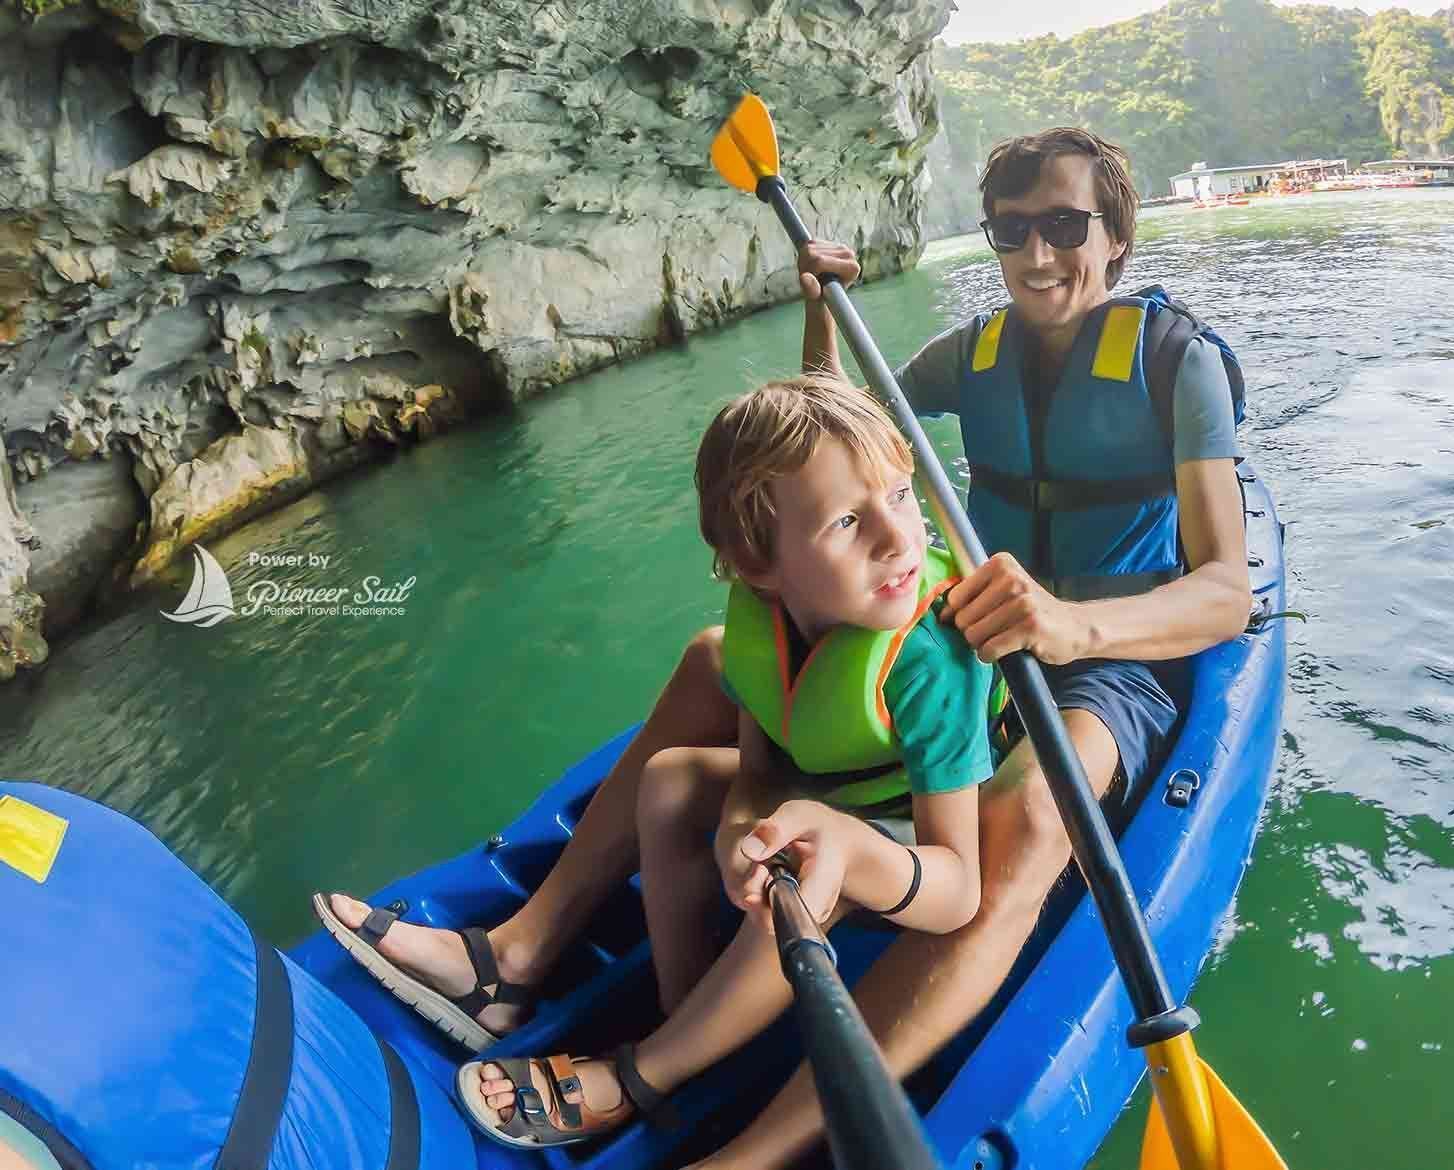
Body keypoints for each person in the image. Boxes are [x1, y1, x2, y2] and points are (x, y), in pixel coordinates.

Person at [314, 125, 1251, 1168]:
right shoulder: (975, 356)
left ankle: (755, 1149)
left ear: (1116, 235)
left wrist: (1075, 626)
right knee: (718, 657)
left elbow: (1224, 593)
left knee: (1028, 813)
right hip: (966, 622)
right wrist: (820, 315)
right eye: (1012, 230)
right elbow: (828, 442)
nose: (1038, 256)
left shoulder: (1180, 364)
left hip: (1105, 657)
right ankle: (518, 953)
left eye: (1066, 227)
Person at [446, 375, 1009, 1147]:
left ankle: (648, 1071)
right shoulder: (767, 621)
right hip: (829, 797)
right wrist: (740, 826)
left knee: (820, 876)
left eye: (902, 496)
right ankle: (691, 1021)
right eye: (848, 520)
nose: (898, 538)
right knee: (672, 783)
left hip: (908, 823)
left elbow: (959, 891)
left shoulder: (930, 663)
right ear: (759, 565)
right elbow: (761, 765)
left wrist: (844, 847)